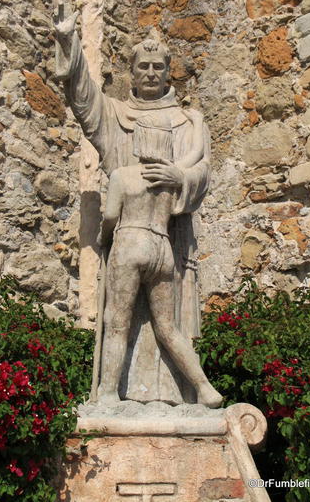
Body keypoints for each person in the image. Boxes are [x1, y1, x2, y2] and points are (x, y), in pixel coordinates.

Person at [54, 0, 211, 404]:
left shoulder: (188, 119)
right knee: (129, 319)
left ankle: (173, 398)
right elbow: (83, 97)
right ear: (132, 72)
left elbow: (203, 170)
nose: (151, 72)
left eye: (159, 66)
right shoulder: (117, 113)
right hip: (136, 238)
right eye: (143, 66)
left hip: (170, 239)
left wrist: (180, 176)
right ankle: (119, 392)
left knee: (165, 321)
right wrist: (67, 40)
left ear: (168, 72)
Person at [97, 112, 222, 407]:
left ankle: (108, 392)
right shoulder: (169, 176)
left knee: (117, 323)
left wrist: (104, 237)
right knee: (167, 328)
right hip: (161, 247)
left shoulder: (123, 175)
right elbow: (195, 154)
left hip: (130, 242)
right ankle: (205, 389)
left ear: (139, 141)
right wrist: (197, 123)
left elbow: (112, 216)